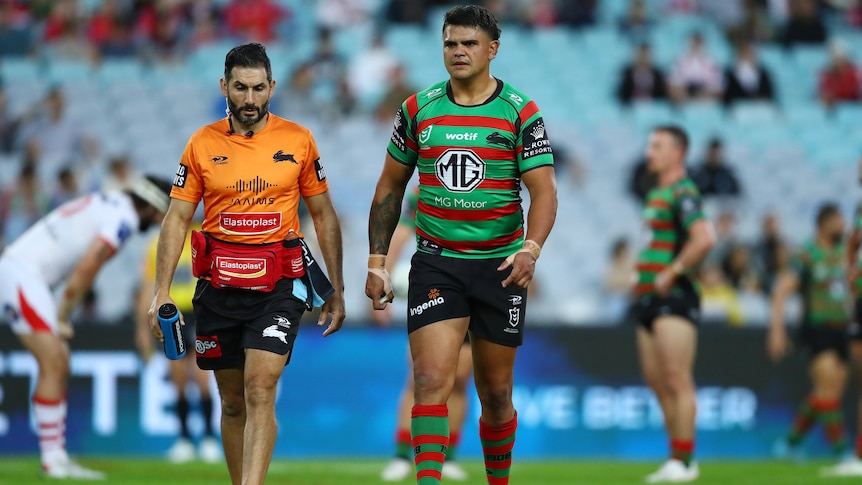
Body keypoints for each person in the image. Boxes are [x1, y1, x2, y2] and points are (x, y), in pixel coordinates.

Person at [365, 6, 557, 485]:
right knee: (429, 380)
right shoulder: (417, 109)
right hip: (437, 265)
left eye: (469, 43)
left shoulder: (520, 111)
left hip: (500, 268)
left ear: (492, 49)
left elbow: (545, 191)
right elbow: (390, 187)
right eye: (451, 43)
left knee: (495, 393)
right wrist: (377, 261)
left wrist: (531, 248)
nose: (458, 52)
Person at [148, 43, 345, 485]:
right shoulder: (201, 143)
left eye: (259, 88)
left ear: (272, 87)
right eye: (241, 88)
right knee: (232, 401)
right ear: (225, 86)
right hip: (218, 289)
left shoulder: (298, 139)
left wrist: (337, 287)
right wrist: (160, 289)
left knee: (260, 389)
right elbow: (177, 217)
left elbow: (324, 214)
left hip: (279, 285)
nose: (251, 99)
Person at [0, 174, 172, 479]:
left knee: (58, 360)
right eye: (162, 212)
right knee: (54, 361)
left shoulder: (112, 201)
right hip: (23, 275)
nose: (161, 220)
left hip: (23, 272)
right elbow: (86, 269)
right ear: (150, 207)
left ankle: (56, 457)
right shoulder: (125, 219)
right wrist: (63, 314)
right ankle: (54, 461)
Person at [629, 125, 715, 483]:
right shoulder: (657, 193)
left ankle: (685, 459)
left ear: (677, 152)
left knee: (677, 379)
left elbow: (704, 238)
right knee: (657, 381)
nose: (650, 152)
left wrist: (673, 270)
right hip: (649, 298)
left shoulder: (683, 191)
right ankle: (676, 456)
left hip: (674, 296)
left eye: (657, 146)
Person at [378, 187, 472, 482]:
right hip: (436, 286)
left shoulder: (489, 182)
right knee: (421, 378)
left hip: (475, 289)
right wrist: (383, 275)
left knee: (459, 381)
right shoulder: (424, 190)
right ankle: (403, 455)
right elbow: (402, 232)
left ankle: (449, 455)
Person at [769, 203, 852, 472]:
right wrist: (777, 330)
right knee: (827, 389)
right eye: (838, 220)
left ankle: (790, 443)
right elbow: (782, 289)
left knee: (828, 394)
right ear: (823, 224)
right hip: (817, 328)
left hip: (844, 328)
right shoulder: (807, 253)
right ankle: (843, 452)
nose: (843, 225)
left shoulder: (846, 253)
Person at [135, 221, 221, 463]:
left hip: (200, 314)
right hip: (171, 314)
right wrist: (142, 328)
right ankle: (184, 439)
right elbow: (147, 288)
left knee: (203, 378)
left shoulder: (204, 240)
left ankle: (208, 438)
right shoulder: (158, 246)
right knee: (179, 380)